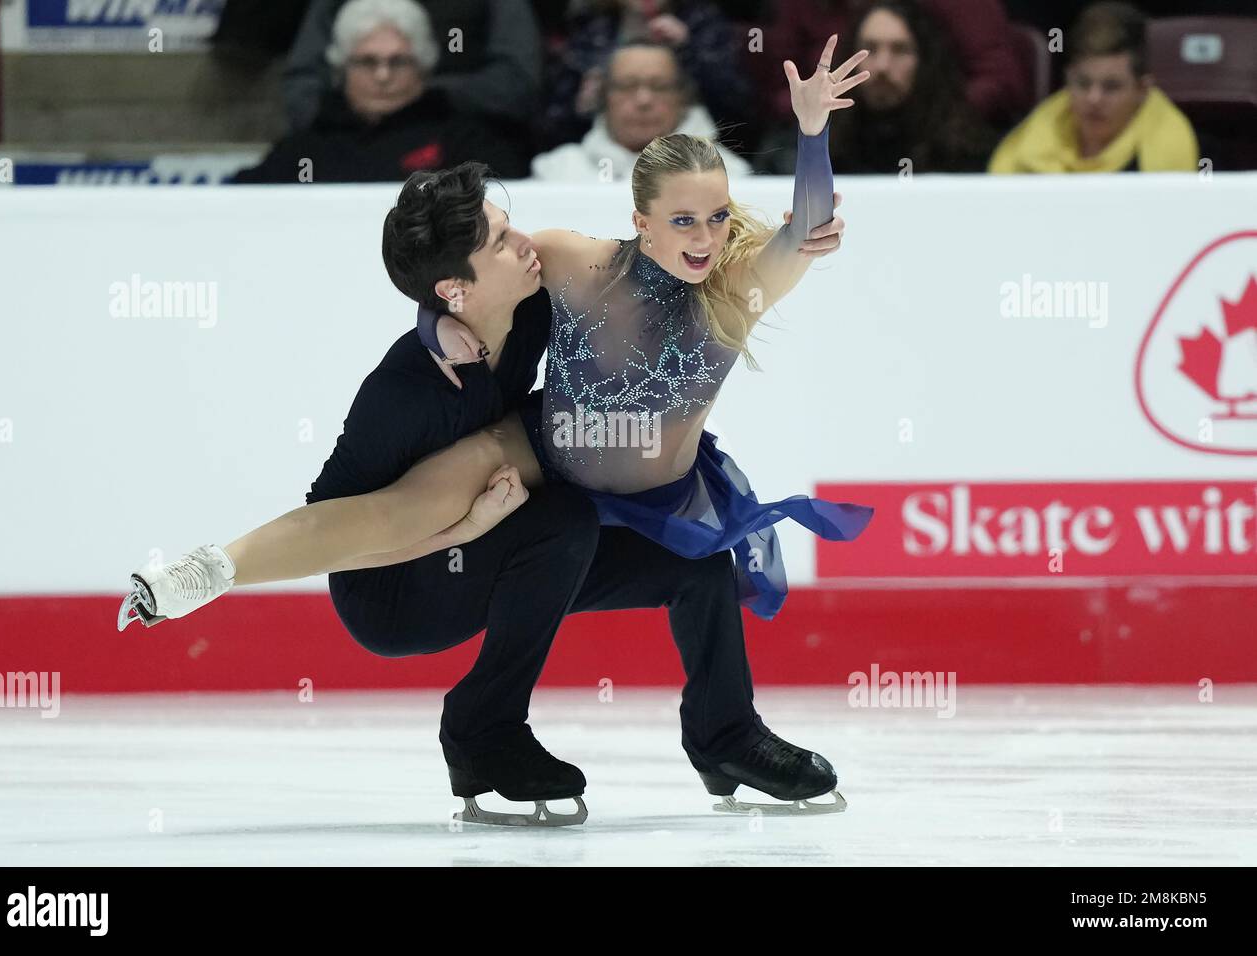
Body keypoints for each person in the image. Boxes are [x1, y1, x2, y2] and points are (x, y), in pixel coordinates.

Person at [119, 37, 870, 821]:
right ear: (642, 221)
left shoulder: (628, 292)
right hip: (449, 540)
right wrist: (465, 516)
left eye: (716, 217)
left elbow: (792, 238)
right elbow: (361, 521)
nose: (704, 236)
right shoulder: (465, 344)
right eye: (681, 218)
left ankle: (725, 736)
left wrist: (812, 136)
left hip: (589, 497)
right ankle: (476, 725)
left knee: (704, 563)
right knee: (540, 512)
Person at [233, 0, 526, 183]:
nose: (383, 75)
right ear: (342, 67)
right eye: (367, 61)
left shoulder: (467, 144)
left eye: (398, 61)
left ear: (423, 67)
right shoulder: (303, 151)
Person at [761, 0, 996, 175]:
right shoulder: (803, 146)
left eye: (900, 49)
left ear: (925, 61)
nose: (882, 66)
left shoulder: (965, 149)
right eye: (870, 49)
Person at [988, 1, 1199, 174]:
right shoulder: (1031, 140)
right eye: (1082, 83)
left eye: (1111, 87)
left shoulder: (1170, 153)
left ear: (1142, 89)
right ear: (1067, 78)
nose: (1094, 98)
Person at [282, 0, 541, 135]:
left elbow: (518, 84)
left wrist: (423, 96)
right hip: (349, 137)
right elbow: (301, 93)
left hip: (459, 145)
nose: (384, 75)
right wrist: (356, 104)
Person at [531, 42, 750, 182]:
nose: (643, 100)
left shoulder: (730, 174)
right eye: (627, 85)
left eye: (660, 86)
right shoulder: (557, 171)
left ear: (683, 97)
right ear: (604, 96)